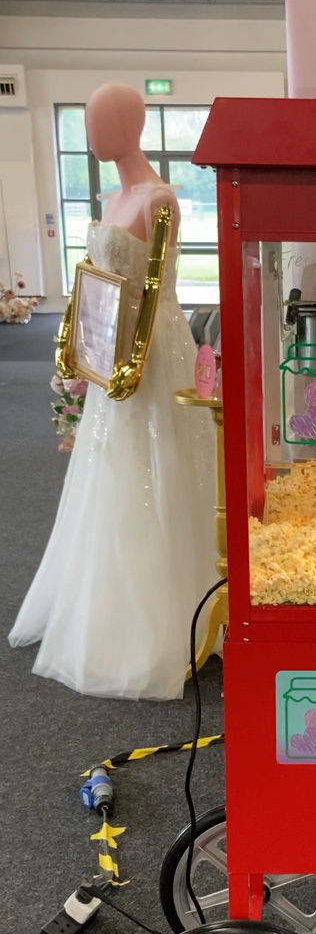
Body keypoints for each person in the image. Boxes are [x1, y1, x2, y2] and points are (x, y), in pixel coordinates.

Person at [9, 84, 216, 698]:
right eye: (89, 122)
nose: (93, 134)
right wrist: (82, 349)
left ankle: (174, 612)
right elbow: (96, 281)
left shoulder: (160, 200)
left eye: (102, 121)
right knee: (113, 464)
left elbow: (150, 293)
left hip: (150, 348)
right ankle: (109, 599)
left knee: (158, 458)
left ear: (132, 124)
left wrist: (121, 356)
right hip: (110, 345)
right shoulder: (114, 197)